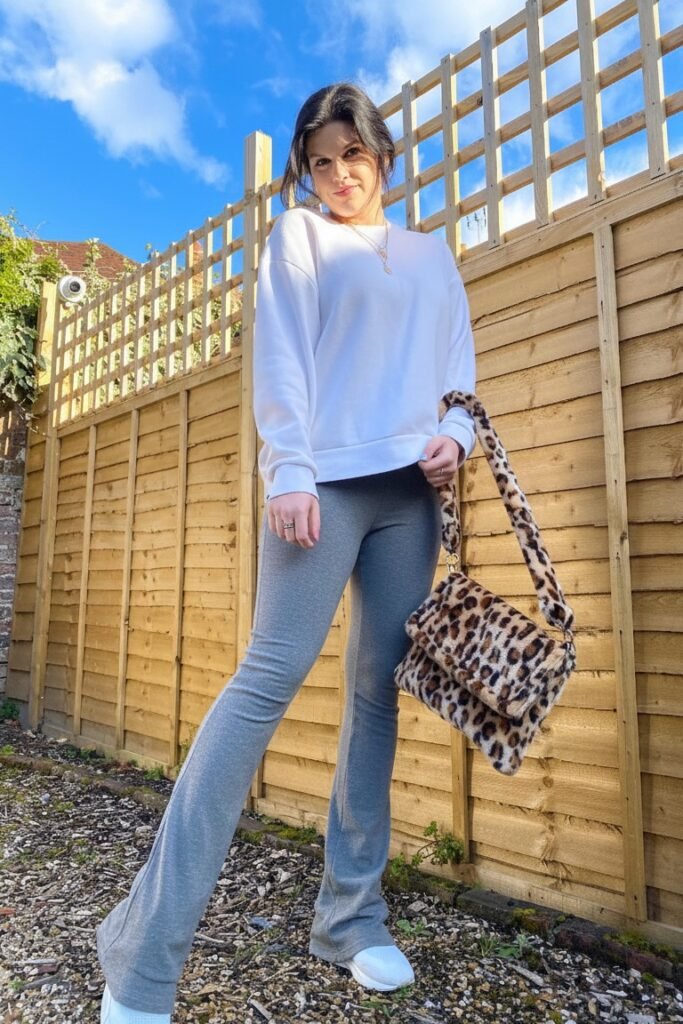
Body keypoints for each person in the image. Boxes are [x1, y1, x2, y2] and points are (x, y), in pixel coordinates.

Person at [96, 80, 476, 1024]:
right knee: (264, 682)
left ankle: (351, 919)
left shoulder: (432, 259)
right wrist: (289, 470)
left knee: (374, 694)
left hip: (410, 499)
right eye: (320, 161)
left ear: (381, 157)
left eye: (353, 154)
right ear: (305, 173)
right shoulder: (297, 240)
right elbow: (283, 355)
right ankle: (141, 957)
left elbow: (458, 372)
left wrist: (455, 439)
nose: (338, 174)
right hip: (324, 487)